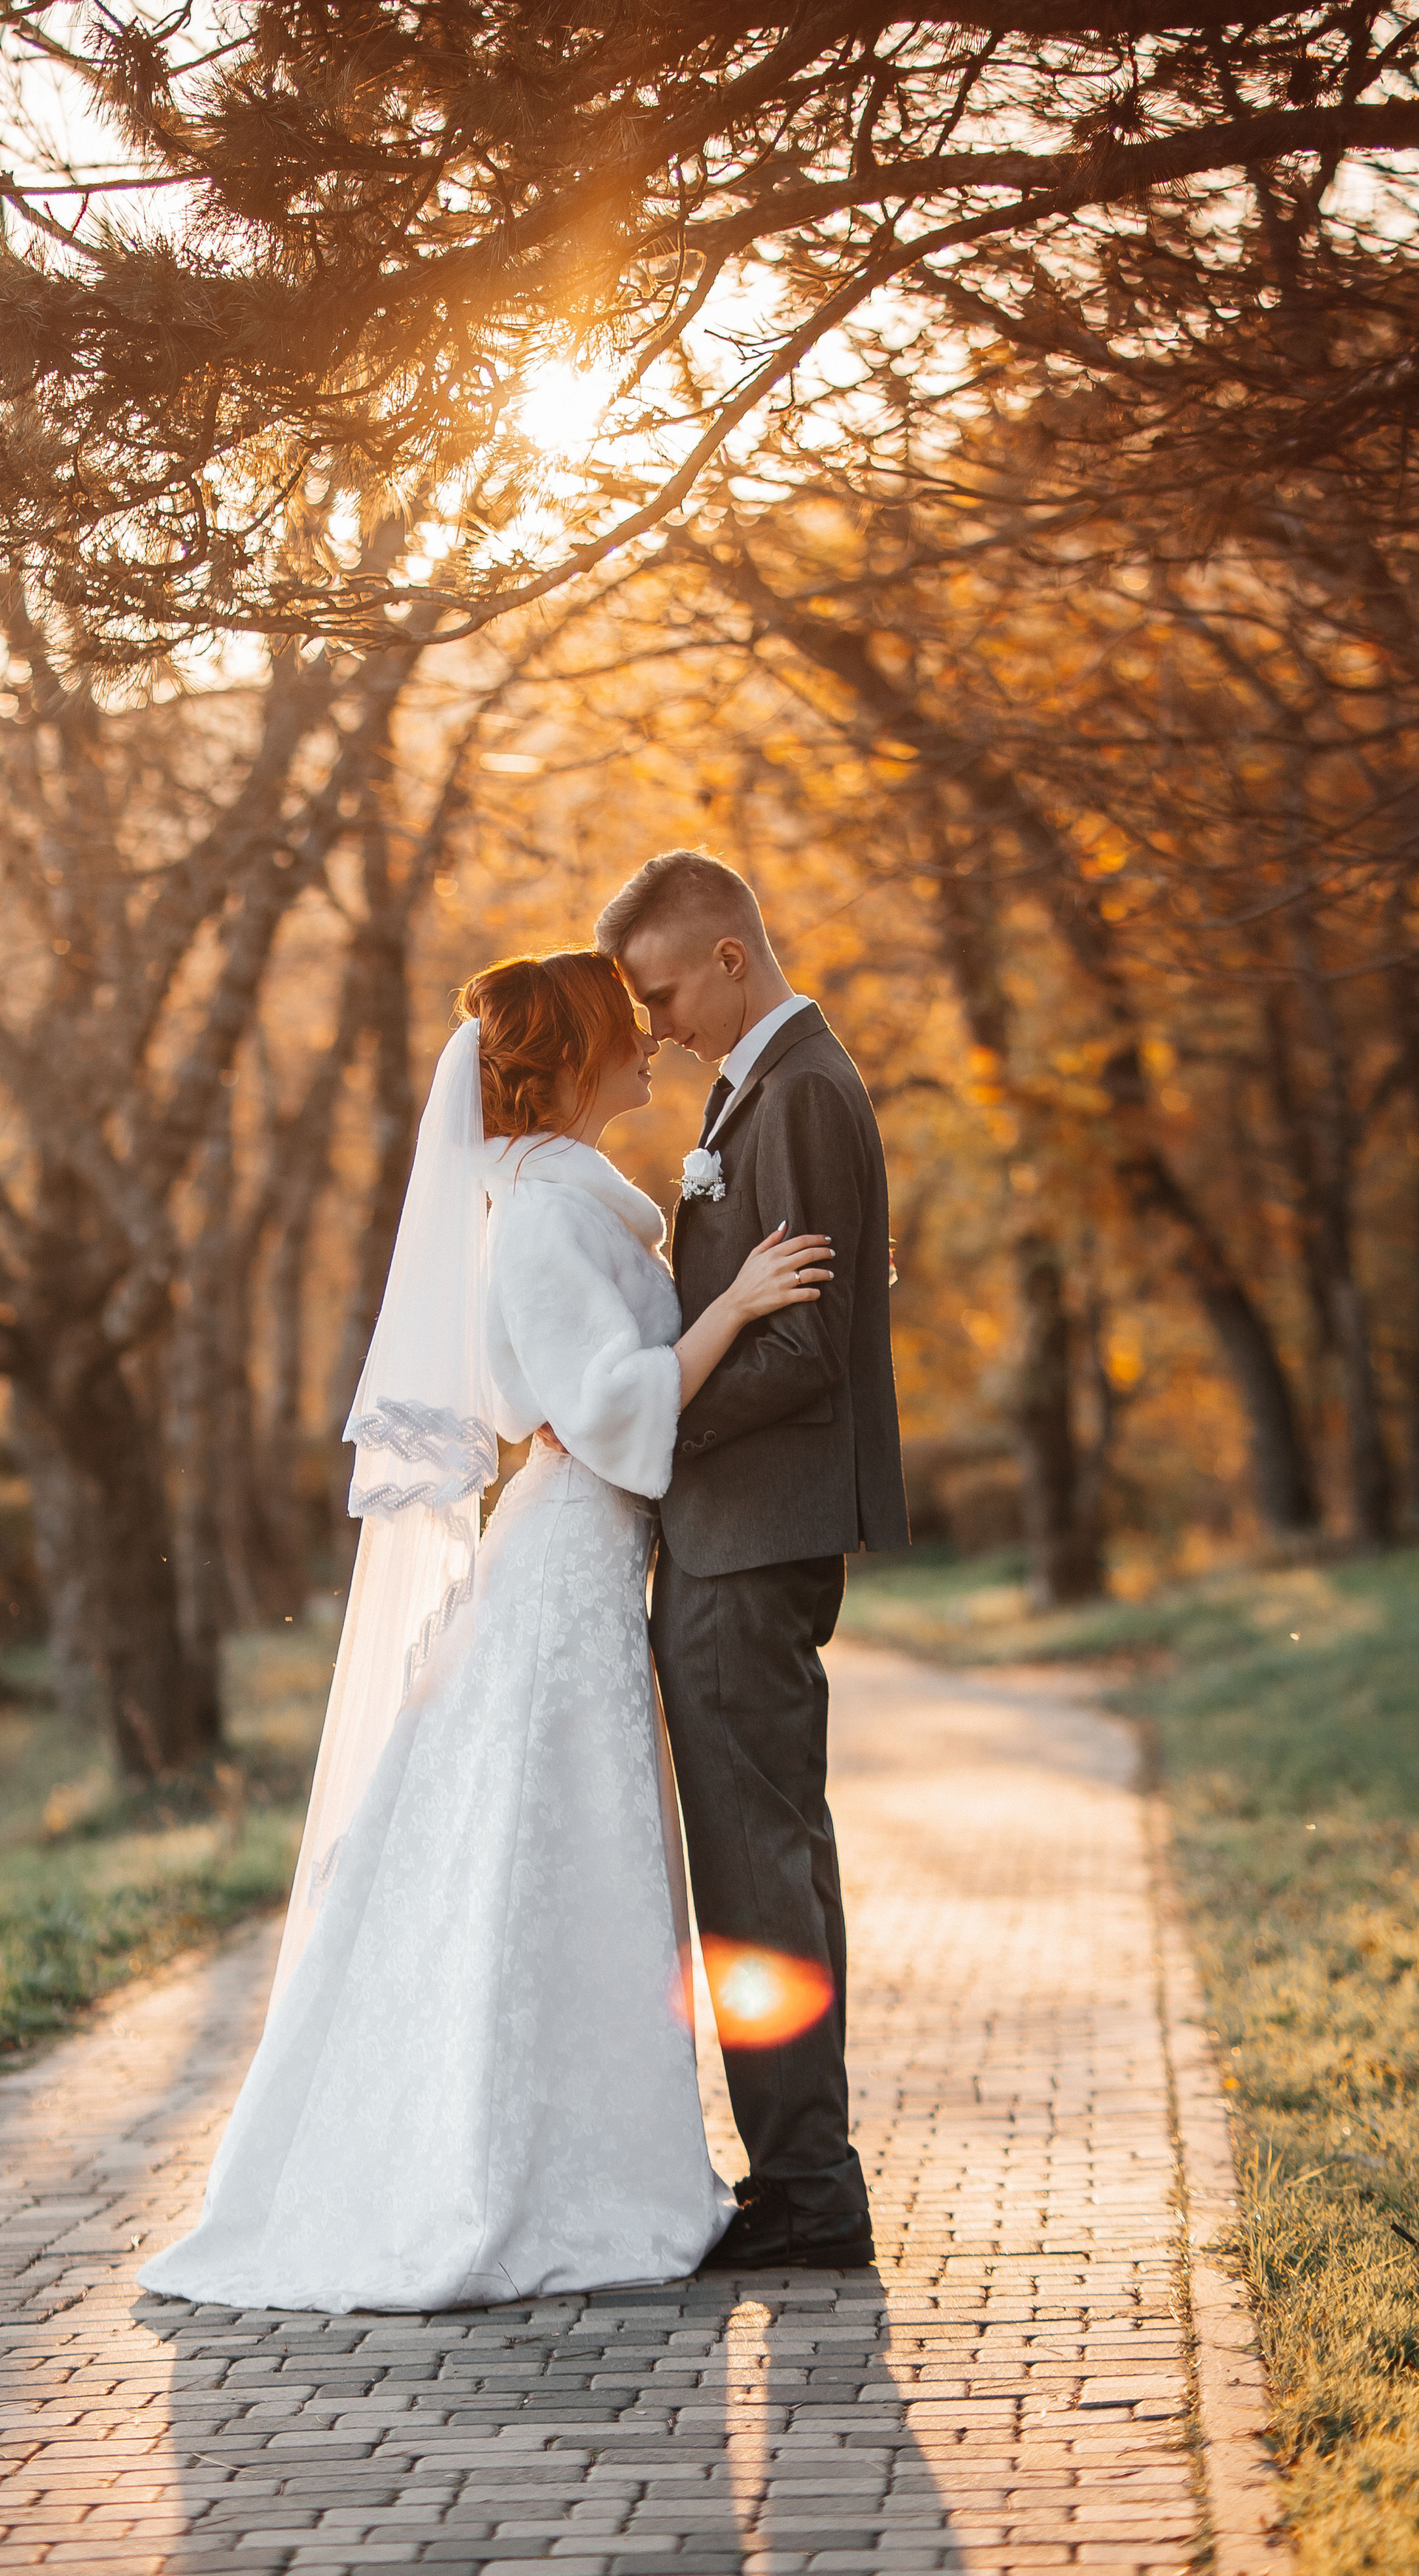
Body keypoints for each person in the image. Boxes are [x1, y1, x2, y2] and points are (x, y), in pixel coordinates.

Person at [139, 949, 833, 2313]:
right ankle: (523, 2178)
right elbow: (614, 1409)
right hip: (570, 1560)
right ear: (573, 1057)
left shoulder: (560, 1203)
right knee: (557, 1853)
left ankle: (586, 2155)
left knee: (565, 1859)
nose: (648, 1044)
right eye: (623, 1031)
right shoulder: (542, 1219)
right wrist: (740, 1307)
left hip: (581, 1553)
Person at [595, 852, 908, 2273]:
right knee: (765, 1855)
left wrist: (650, 1415)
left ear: (729, 957)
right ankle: (803, 2173)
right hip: (742, 1530)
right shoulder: (763, 1090)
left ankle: (807, 2190)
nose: (650, 1026)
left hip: (749, 1533)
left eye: (660, 991)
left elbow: (802, 1345)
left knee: (757, 1865)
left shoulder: (798, 1095)